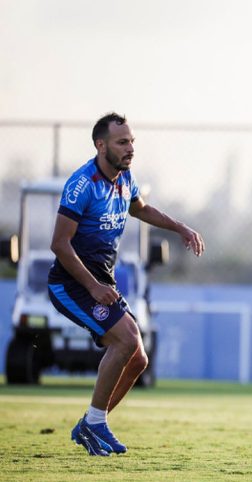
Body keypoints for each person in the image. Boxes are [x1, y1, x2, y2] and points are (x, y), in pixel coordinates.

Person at [48, 113, 205, 456]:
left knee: (138, 359)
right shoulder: (82, 184)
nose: (130, 148)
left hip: (101, 281)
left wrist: (181, 228)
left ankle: (92, 422)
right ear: (100, 145)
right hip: (71, 284)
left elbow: (141, 209)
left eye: (132, 141)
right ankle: (94, 423)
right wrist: (92, 288)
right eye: (122, 142)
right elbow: (59, 244)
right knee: (127, 339)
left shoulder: (124, 177)